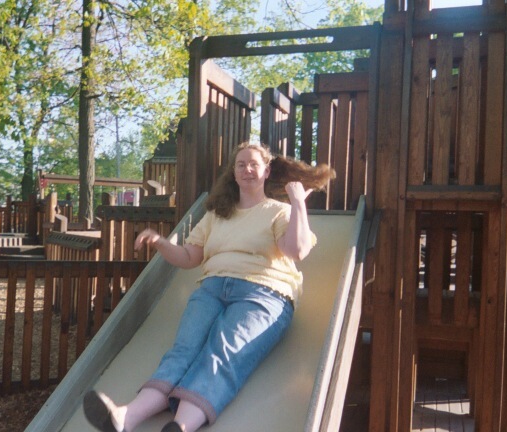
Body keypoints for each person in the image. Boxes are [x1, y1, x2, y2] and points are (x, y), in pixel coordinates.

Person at [83, 142, 335, 432]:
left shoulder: (279, 212)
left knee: (222, 351)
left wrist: (298, 202)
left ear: (266, 171)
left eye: (253, 164)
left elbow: (297, 250)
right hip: (212, 289)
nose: (247, 169)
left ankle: (181, 426)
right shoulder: (218, 215)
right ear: (234, 173)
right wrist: (161, 243)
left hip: (263, 294)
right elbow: (190, 257)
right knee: (182, 352)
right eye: (240, 164)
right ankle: (125, 417)